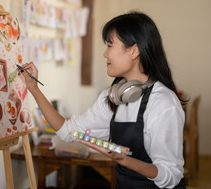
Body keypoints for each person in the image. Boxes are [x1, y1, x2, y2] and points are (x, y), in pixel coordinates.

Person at [20, 11, 186, 188]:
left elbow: (171, 175)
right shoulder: (112, 97)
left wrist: (125, 160)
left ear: (134, 50)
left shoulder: (163, 103)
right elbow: (68, 131)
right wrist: (34, 89)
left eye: (110, 45)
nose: (105, 54)